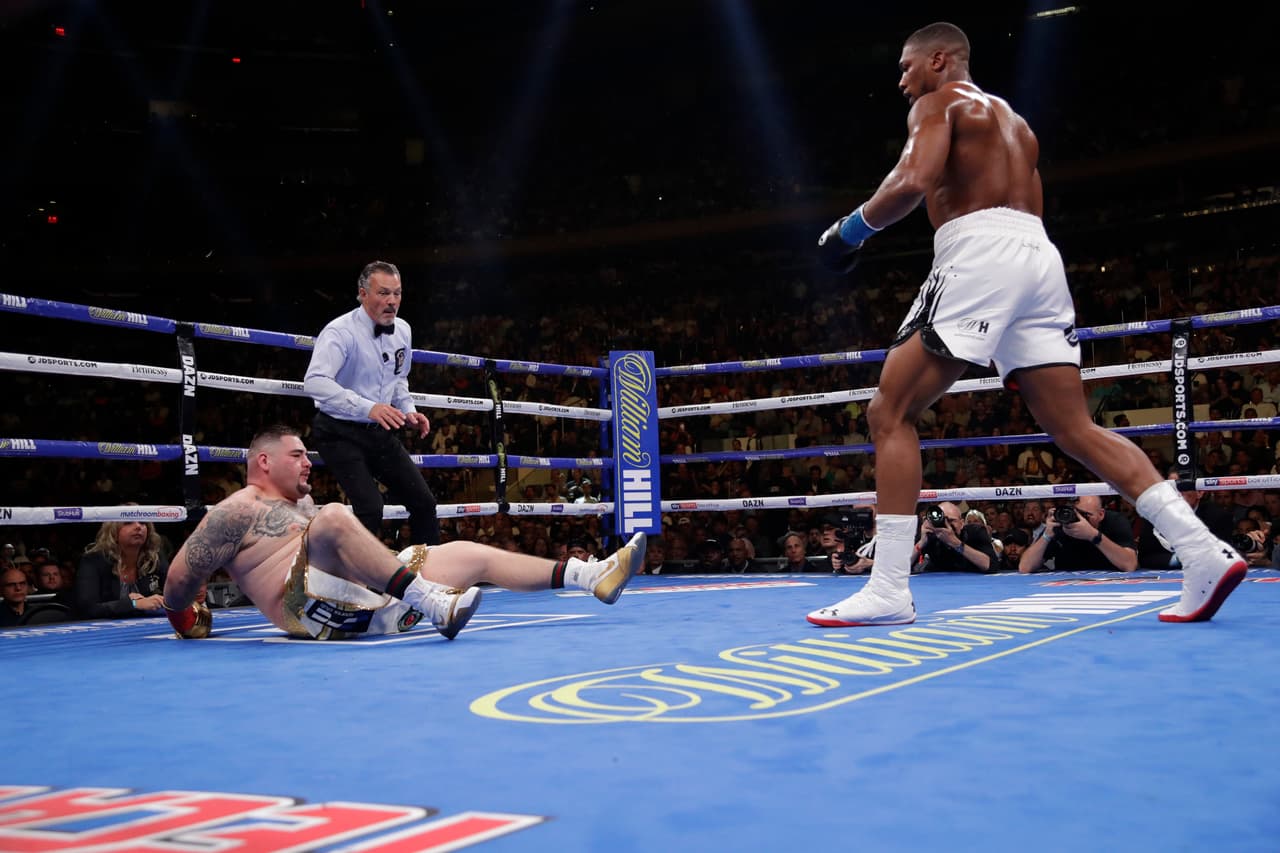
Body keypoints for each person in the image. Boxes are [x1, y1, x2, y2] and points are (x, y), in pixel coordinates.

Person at [808, 22, 1245, 626]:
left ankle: (887, 589)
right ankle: (1200, 551)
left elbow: (910, 181)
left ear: (939, 60)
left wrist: (848, 232)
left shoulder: (941, 102)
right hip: (1039, 258)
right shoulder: (1016, 125)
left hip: (979, 249)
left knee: (890, 410)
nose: (903, 83)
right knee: (1073, 427)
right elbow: (1016, 212)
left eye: (908, 68)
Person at [161, 426, 644, 641]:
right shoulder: (235, 510)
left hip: (354, 601)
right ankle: (430, 602)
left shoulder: (300, 506)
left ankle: (589, 576)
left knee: (465, 553)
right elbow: (179, 579)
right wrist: (185, 620)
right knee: (334, 515)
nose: (308, 461)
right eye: (298, 455)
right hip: (305, 610)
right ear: (263, 461)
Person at [303, 260, 440, 546]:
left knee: (425, 503)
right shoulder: (340, 331)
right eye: (383, 293)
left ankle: (428, 578)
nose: (392, 301)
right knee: (370, 508)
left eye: (397, 293)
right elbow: (315, 381)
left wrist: (409, 411)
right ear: (363, 294)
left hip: (380, 432)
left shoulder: (403, 330)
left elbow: (399, 379)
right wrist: (368, 406)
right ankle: (350, 583)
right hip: (338, 431)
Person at [75, 515, 170, 619]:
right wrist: (133, 604)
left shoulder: (154, 557)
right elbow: (87, 609)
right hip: (104, 629)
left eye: (142, 522)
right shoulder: (94, 561)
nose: (138, 526)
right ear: (113, 531)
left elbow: (177, 591)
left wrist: (163, 601)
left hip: (146, 625)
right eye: (128, 522)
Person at [1017, 496, 1137, 573]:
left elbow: (1129, 564)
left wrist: (1094, 535)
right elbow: (1025, 567)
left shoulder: (1115, 521)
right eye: (1076, 513)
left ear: (1101, 514)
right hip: (1067, 587)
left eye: (1085, 515)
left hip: (1112, 585)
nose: (1080, 521)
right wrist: (1047, 535)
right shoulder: (1062, 524)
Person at [1136, 474, 1234, 569]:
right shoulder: (1153, 516)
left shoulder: (1218, 517)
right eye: (1171, 488)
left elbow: (1223, 556)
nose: (1175, 493)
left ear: (1199, 492)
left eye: (1181, 488)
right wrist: (1177, 560)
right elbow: (1145, 557)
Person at [915, 502, 998, 573]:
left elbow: (991, 565)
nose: (947, 525)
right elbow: (903, 567)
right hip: (938, 585)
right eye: (943, 521)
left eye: (951, 520)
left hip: (972, 585)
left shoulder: (975, 532)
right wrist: (921, 542)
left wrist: (955, 543)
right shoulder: (931, 534)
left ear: (962, 523)